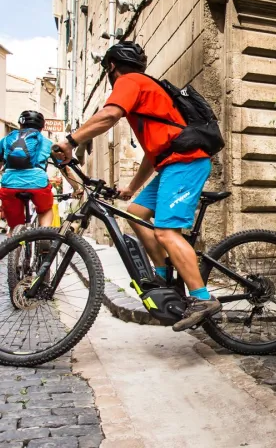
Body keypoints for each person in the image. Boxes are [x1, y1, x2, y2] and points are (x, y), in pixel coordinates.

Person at [51, 41, 221, 331]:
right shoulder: (145, 89)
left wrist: (70, 141)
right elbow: (153, 156)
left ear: (111, 67)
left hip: (187, 162)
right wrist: (131, 187)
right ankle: (164, 274)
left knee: (166, 231)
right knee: (136, 211)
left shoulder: (130, 81)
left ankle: (202, 298)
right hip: (172, 163)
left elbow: (108, 115)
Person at [0, 111, 55, 231]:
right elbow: (65, 167)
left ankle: (15, 239)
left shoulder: (5, 140)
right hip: (38, 184)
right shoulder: (46, 142)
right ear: (42, 128)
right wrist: (77, 188)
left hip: (9, 185)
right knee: (45, 209)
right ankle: (44, 235)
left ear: (20, 124)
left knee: (14, 225)